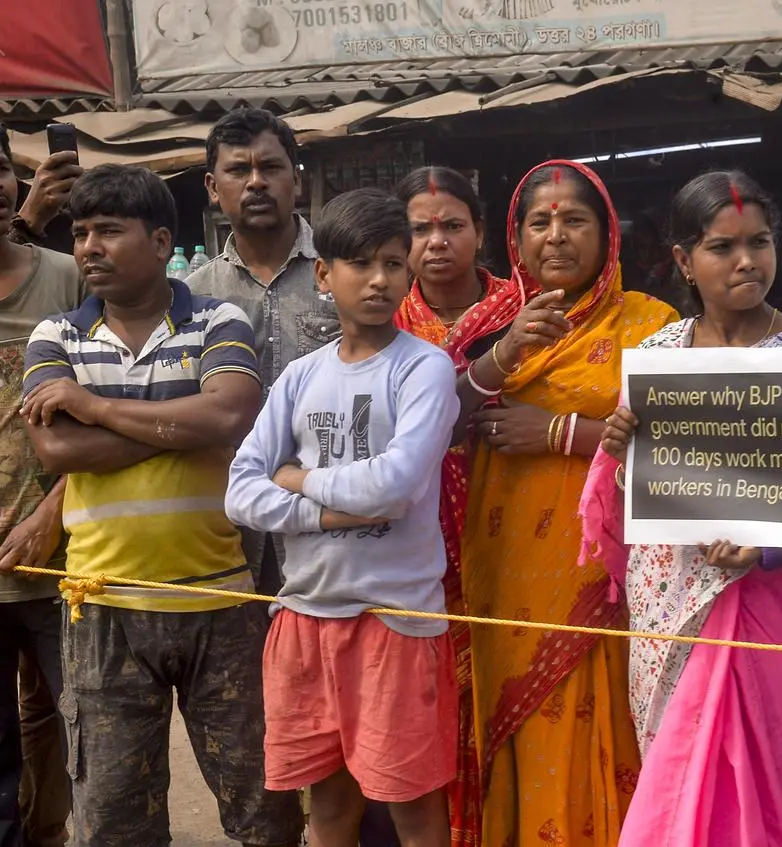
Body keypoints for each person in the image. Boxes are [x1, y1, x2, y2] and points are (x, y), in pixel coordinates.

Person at [20, 164, 304, 847]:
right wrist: (183, 420)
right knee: (118, 820)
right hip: (105, 609)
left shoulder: (218, 318)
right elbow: (58, 452)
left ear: (159, 239)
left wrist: (93, 407)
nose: (89, 247)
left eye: (109, 231)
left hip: (220, 603)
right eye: (81, 232)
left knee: (266, 811)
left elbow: (234, 413)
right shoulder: (54, 335)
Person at [580, 171, 782, 846]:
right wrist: (618, 454)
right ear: (682, 260)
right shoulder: (656, 360)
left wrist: (769, 543)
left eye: (759, 242)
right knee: (681, 790)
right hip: (676, 604)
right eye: (722, 246)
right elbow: (626, 508)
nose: (746, 261)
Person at [225, 187, 459, 847]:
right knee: (327, 810)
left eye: (393, 262)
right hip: (305, 619)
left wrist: (297, 480)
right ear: (324, 273)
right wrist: (328, 515)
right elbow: (240, 492)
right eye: (360, 263)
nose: (380, 278)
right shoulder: (299, 377)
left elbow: (395, 485)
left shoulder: (425, 368)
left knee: (413, 811)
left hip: (396, 621)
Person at [458, 160, 677, 846]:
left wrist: (558, 433)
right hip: (504, 574)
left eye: (575, 219)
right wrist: (501, 353)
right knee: (517, 727)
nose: (557, 235)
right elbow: (431, 419)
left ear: (607, 233)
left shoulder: (652, 323)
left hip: (601, 582)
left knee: (597, 726)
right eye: (540, 222)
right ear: (515, 239)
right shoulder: (485, 327)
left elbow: (679, 447)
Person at [389, 165, 543, 847]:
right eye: (420, 229)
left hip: (522, 534)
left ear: (484, 231)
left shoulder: (532, 308)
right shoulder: (384, 319)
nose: (436, 241)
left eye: (452, 225)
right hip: (420, 547)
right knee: (434, 702)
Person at [187, 107, 336, 596]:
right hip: (227, 529)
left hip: (332, 519)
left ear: (296, 180)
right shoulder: (191, 297)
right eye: (238, 170)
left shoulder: (345, 276)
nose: (256, 183)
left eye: (270, 168)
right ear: (212, 187)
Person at [0, 128, 83, 847]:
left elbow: (115, 397)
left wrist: (52, 514)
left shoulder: (66, 277)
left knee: (79, 723)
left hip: (65, 563)